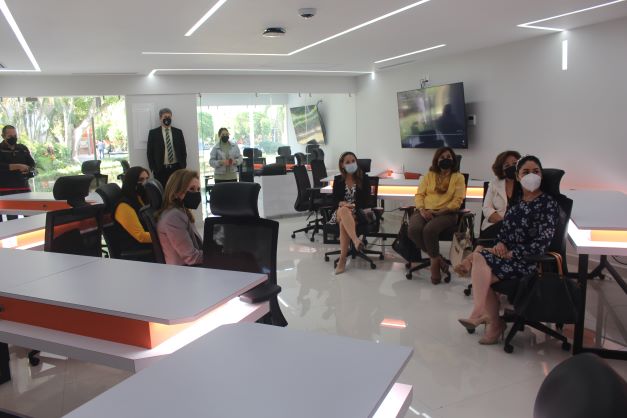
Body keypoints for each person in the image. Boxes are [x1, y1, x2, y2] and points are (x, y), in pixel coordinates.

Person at [458, 155, 559, 345]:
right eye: (526, 172)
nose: (531, 176)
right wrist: (500, 244)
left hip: (527, 260)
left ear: (542, 176)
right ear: (518, 177)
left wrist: (515, 253)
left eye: (535, 171)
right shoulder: (517, 203)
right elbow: (504, 233)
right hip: (506, 257)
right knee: (480, 258)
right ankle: (489, 319)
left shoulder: (548, 203)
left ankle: (486, 318)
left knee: (481, 270)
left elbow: (543, 241)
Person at [454, 150, 521, 277]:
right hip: (495, 225)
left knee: (482, 245)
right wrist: (504, 223)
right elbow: (487, 208)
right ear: (501, 169)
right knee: (494, 235)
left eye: (515, 163)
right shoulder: (495, 184)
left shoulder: (524, 184)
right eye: (507, 165)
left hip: (516, 229)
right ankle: (479, 268)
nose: (511, 167)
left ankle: (469, 261)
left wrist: (508, 225)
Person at [408, 147, 465, 284]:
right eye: (442, 157)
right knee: (413, 229)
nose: (446, 159)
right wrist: (422, 210)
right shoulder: (429, 175)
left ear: (453, 160)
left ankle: (434, 264)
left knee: (430, 230)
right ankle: (437, 258)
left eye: (449, 157)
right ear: (436, 160)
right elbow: (420, 195)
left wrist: (441, 212)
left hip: (447, 213)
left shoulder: (458, 177)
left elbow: (457, 201)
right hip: (424, 210)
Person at [328, 151, 371, 275]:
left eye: (353, 161)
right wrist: (342, 203)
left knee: (343, 224)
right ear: (342, 165)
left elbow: (367, 200)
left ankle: (342, 260)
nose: (351, 163)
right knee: (343, 210)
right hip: (339, 212)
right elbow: (334, 200)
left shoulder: (364, 178)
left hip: (358, 213)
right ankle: (356, 240)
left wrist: (353, 206)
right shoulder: (338, 180)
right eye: (348, 162)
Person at [156, 169, 203, 266]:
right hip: (185, 274)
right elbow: (191, 258)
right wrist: (218, 256)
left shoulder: (181, 211)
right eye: (191, 189)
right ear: (176, 192)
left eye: (198, 189)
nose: (196, 193)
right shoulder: (173, 217)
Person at [113, 166, 152, 258]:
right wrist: (164, 236)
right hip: (137, 249)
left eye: (147, 179)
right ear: (131, 182)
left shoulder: (140, 198)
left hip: (149, 244)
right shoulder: (124, 206)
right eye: (141, 180)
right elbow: (141, 236)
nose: (145, 183)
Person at [0, 125, 36, 221]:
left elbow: (32, 164)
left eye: (15, 135)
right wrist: (16, 166)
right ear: (3, 136)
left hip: (23, 187)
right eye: (10, 136)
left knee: (29, 216)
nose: (13, 138)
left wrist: (28, 168)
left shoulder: (22, 148)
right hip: (5, 189)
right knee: (12, 217)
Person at [147, 108, 187, 187]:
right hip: (160, 169)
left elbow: (183, 150)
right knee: (162, 191)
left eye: (169, 116)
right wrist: (154, 168)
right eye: (165, 116)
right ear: (160, 118)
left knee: (176, 189)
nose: (167, 119)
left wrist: (183, 166)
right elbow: (149, 152)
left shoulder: (178, 132)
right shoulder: (153, 133)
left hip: (177, 167)